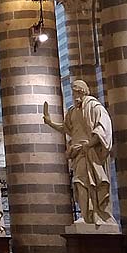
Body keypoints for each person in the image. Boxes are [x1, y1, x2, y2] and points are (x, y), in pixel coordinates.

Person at [43, 79, 115, 225]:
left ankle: (95, 215)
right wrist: (50, 123)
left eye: (75, 91)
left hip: (89, 151)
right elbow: (66, 128)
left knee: (85, 181)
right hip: (77, 153)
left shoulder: (94, 106)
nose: (74, 94)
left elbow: (103, 127)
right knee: (79, 183)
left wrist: (90, 144)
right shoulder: (73, 111)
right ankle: (86, 214)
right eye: (73, 91)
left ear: (82, 91)